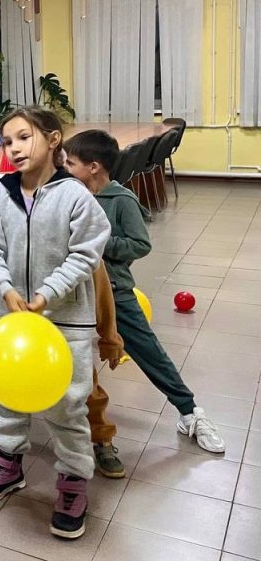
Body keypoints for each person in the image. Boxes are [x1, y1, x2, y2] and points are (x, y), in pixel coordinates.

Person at [0, 106, 110, 541]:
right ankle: (8, 464)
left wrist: (49, 292)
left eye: (23, 137)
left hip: (64, 322)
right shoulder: (0, 194)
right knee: (4, 394)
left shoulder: (75, 196)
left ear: (52, 140)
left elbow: (87, 252)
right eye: (7, 141)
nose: (13, 148)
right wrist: (4, 286)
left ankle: (72, 483)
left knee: (68, 403)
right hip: (13, 320)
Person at [64, 129, 225, 454]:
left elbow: (140, 244)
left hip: (114, 290)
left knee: (149, 351)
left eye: (70, 163)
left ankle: (190, 412)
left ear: (93, 167)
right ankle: (14, 407)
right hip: (72, 291)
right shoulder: (70, 195)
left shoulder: (121, 200)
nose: (64, 168)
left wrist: (97, 243)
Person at [0, 263, 127, 479]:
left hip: (67, 333)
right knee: (12, 384)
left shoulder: (82, 250)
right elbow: (3, 284)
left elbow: (102, 293)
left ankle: (102, 437)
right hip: (23, 334)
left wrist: (110, 340)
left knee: (86, 393)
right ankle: (7, 438)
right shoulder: (18, 243)